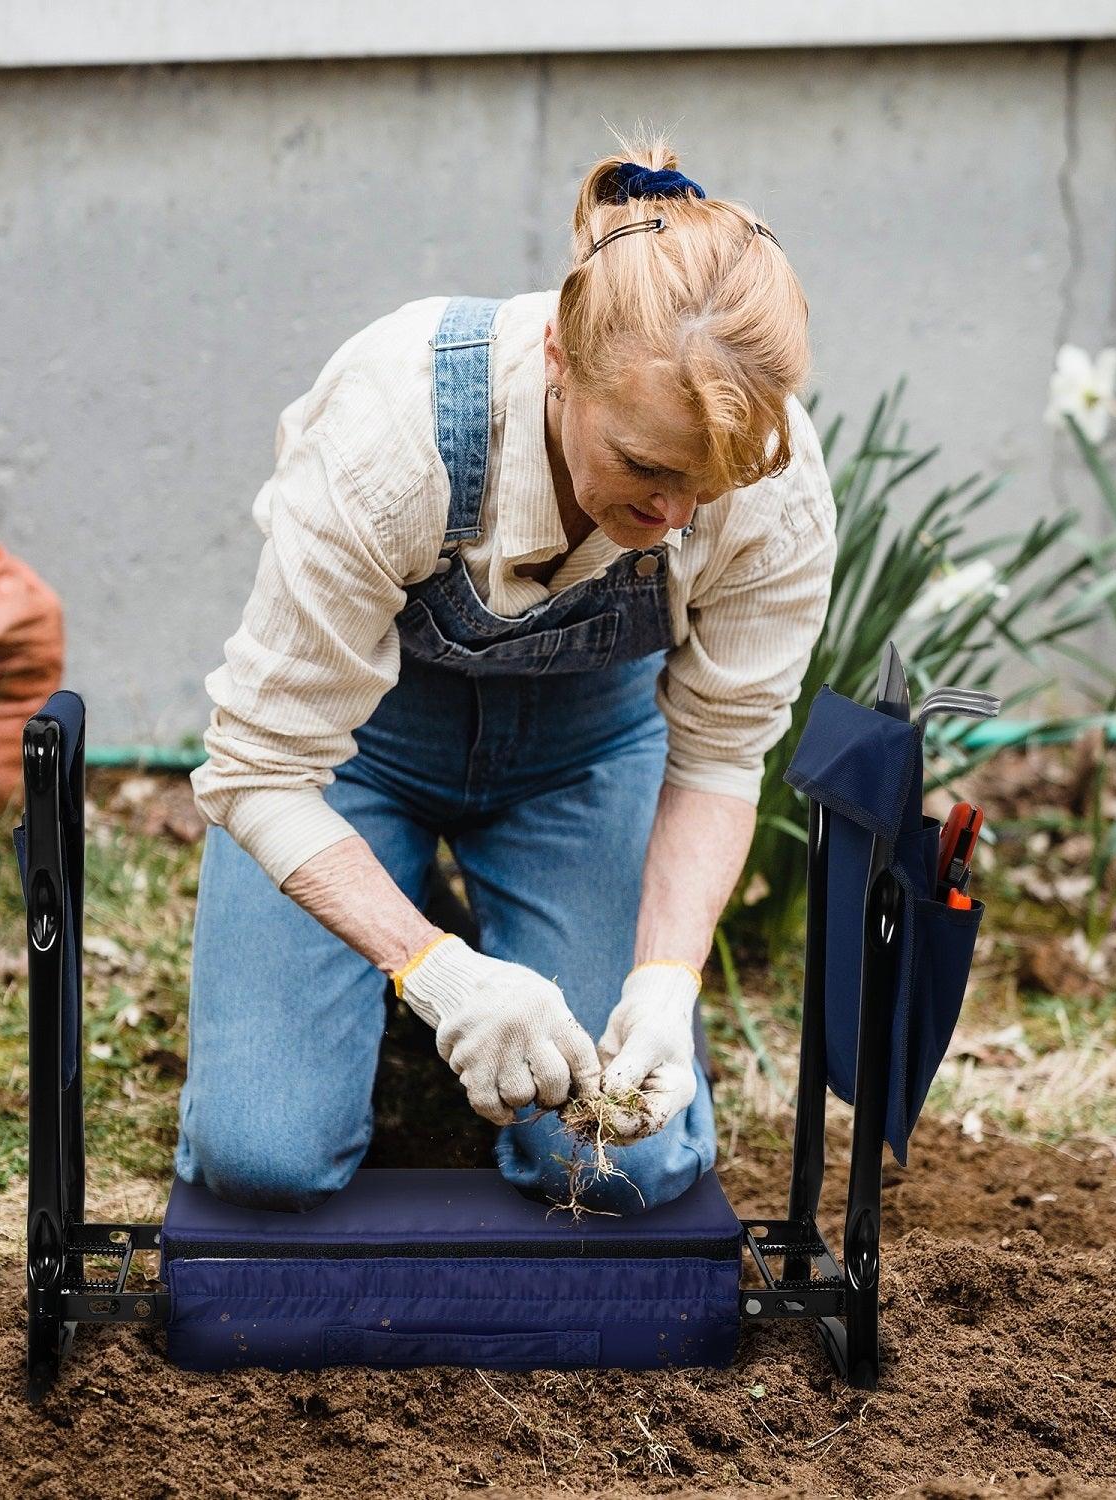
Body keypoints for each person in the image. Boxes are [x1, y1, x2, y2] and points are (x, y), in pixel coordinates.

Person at [179, 129, 837, 1215]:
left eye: (705, 487)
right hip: (359, 754)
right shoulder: (393, 435)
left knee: (629, 1161)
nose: (675, 514)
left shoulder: (772, 484)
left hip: (586, 758)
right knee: (264, 1159)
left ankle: (498, 940)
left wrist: (666, 985)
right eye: (644, 467)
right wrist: (439, 975)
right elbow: (259, 772)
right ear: (558, 363)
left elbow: (720, 758)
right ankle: (405, 954)